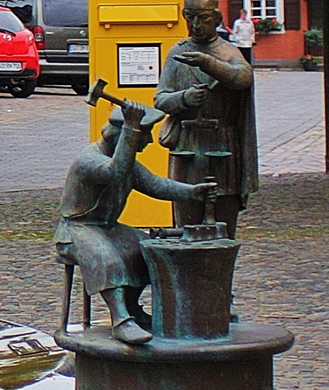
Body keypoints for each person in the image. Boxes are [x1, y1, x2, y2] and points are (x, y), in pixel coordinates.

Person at [55, 102, 214, 345]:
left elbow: (155, 184)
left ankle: (132, 308)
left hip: (107, 227)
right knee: (107, 258)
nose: (149, 141)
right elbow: (114, 173)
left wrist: (192, 192)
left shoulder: (125, 163)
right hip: (76, 229)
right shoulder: (90, 161)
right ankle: (120, 320)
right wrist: (131, 126)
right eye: (145, 135)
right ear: (126, 136)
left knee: (148, 250)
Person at [154, 0, 258, 236]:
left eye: (203, 18)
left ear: (217, 19)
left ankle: (220, 274)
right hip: (187, 149)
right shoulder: (178, 53)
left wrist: (209, 64)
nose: (197, 25)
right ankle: (185, 275)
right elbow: (161, 100)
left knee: (223, 229)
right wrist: (185, 98)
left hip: (223, 149)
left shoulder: (227, 52)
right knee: (185, 227)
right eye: (191, 18)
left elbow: (243, 77)